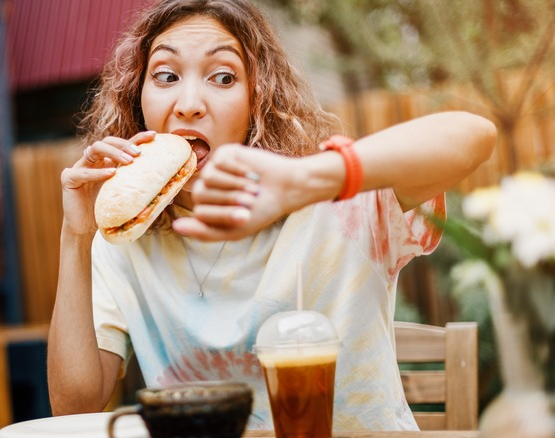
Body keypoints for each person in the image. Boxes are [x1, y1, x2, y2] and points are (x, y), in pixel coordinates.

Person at [48, 0, 496, 431]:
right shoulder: (125, 239)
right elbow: (75, 405)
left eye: (223, 78)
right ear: (137, 100)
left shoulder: (334, 201)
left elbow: (474, 136)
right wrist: (76, 234)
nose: (188, 103)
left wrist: (305, 181)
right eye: (165, 75)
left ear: (257, 101)